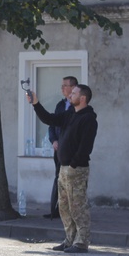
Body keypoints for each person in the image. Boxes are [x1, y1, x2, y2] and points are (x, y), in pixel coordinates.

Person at [28, 84, 98, 253]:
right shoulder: (70, 114)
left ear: (82, 98)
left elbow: (85, 148)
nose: (69, 95)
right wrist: (36, 103)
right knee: (64, 207)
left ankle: (81, 243)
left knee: (78, 207)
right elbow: (49, 119)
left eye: (73, 93)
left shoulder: (88, 119)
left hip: (77, 170)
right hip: (63, 169)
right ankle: (69, 240)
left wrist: (73, 164)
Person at [45, 76, 78, 220]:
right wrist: (53, 140)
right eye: (62, 85)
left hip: (70, 151)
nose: (62, 88)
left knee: (70, 181)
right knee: (58, 178)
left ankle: (70, 212)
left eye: (65, 85)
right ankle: (54, 211)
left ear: (73, 87)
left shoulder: (76, 106)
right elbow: (52, 124)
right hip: (58, 149)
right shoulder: (60, 105)